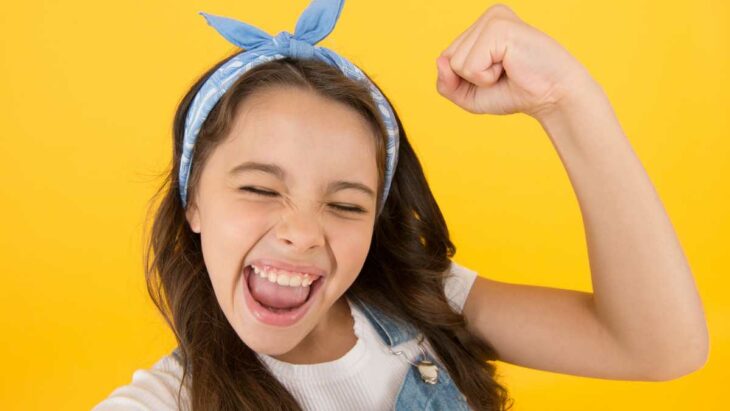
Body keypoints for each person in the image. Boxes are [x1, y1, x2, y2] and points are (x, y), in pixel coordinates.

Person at [93, 1, 708, 410]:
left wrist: (569, 100)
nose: (303, 233)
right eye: (259, 188)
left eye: (347, 204)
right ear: (192, 198)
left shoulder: (425, 307)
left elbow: (662, 348)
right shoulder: (167, 399)